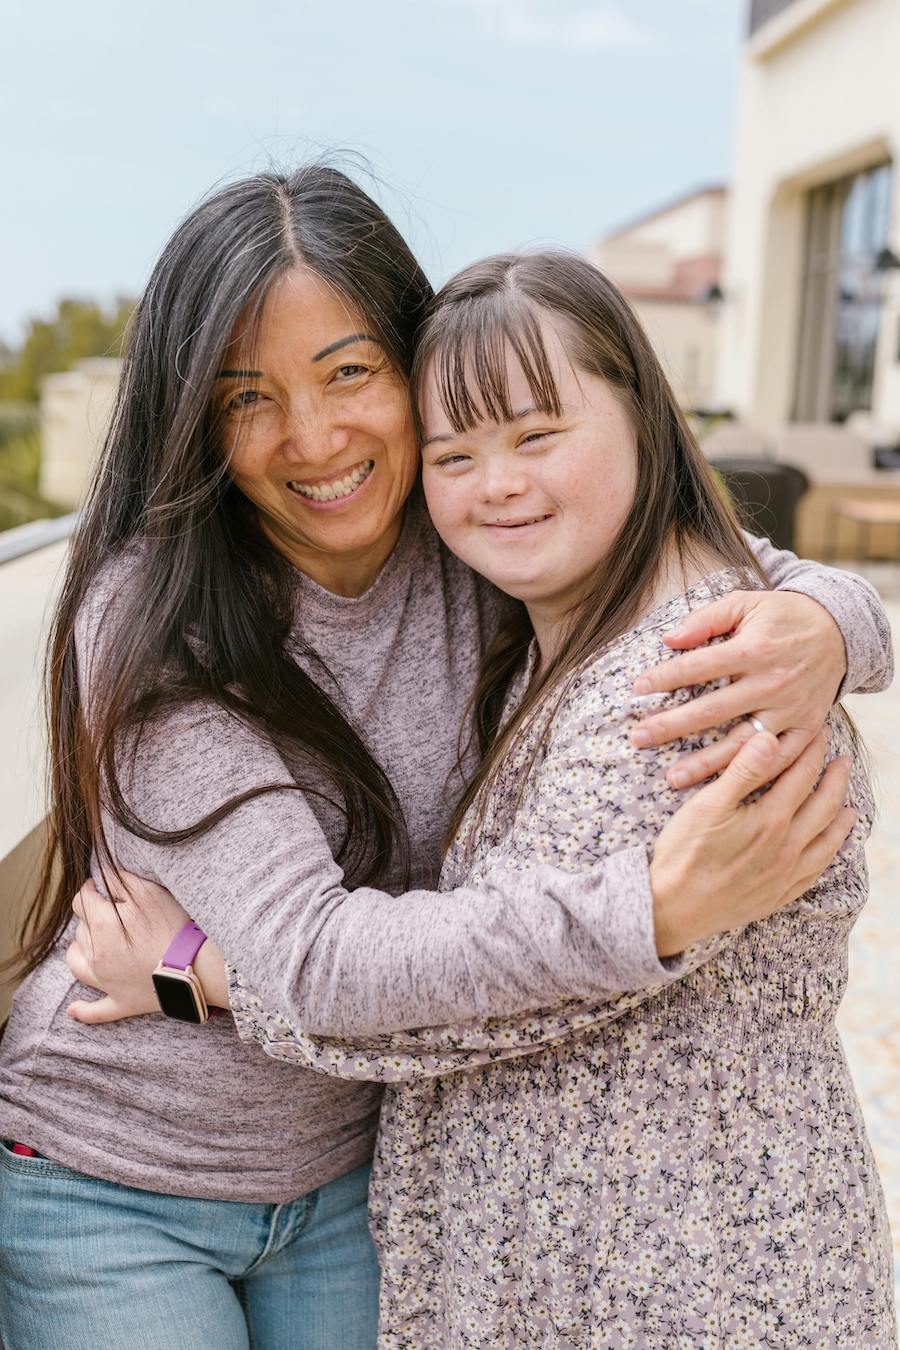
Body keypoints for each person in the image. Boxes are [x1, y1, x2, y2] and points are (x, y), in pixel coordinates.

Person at [0, 168, 892, 1350]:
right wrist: (654, 906)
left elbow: (704, 553)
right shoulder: (160, 625)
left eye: (350, 373)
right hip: (118, 1176)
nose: (312, 439)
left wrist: (835, 625)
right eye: (245, 397)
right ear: (191, 420)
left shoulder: (462, 522)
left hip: (350, 1180)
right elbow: (321, 962)